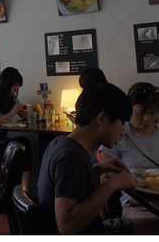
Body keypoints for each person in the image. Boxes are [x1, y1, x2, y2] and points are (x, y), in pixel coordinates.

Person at [37, 82, 146, 235]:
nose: (123, 132)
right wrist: (111, 185)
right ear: (101, 119)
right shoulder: (72, 157)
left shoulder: (60, 143)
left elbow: (70, 187)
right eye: (122, 123)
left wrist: (96, 170)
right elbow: (67, 226)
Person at [98, 82, 159, 227]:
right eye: (141, 112)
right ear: (129, 110)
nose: (147, 118)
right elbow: (104, 177)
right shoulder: (118, 134)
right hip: (138, 203)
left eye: (153, 112)